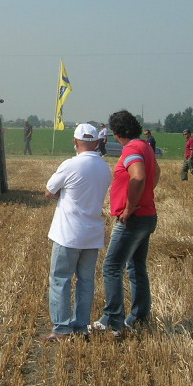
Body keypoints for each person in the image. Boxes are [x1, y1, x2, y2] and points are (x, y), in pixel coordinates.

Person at [43, 123, 112, 342]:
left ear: (75, 141)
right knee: (86, 281)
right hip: (93, 234)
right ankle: (82, 326)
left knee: (61, 279)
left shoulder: (70, 165)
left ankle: (62, 328)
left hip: (68, 233)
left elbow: (49, 191)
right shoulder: (105, 168)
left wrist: (64, 196)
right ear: (97, 142)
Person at [95, 109, 160, 337]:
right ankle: (139, 317)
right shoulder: (145, 146)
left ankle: (113, 320)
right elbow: (155, 173)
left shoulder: (131, 149)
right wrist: (145, 195)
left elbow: (138, 176)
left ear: (116, 132)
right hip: (148, 215)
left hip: (133, 219)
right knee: (136, 267)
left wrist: (130, 206)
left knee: (112, 267)